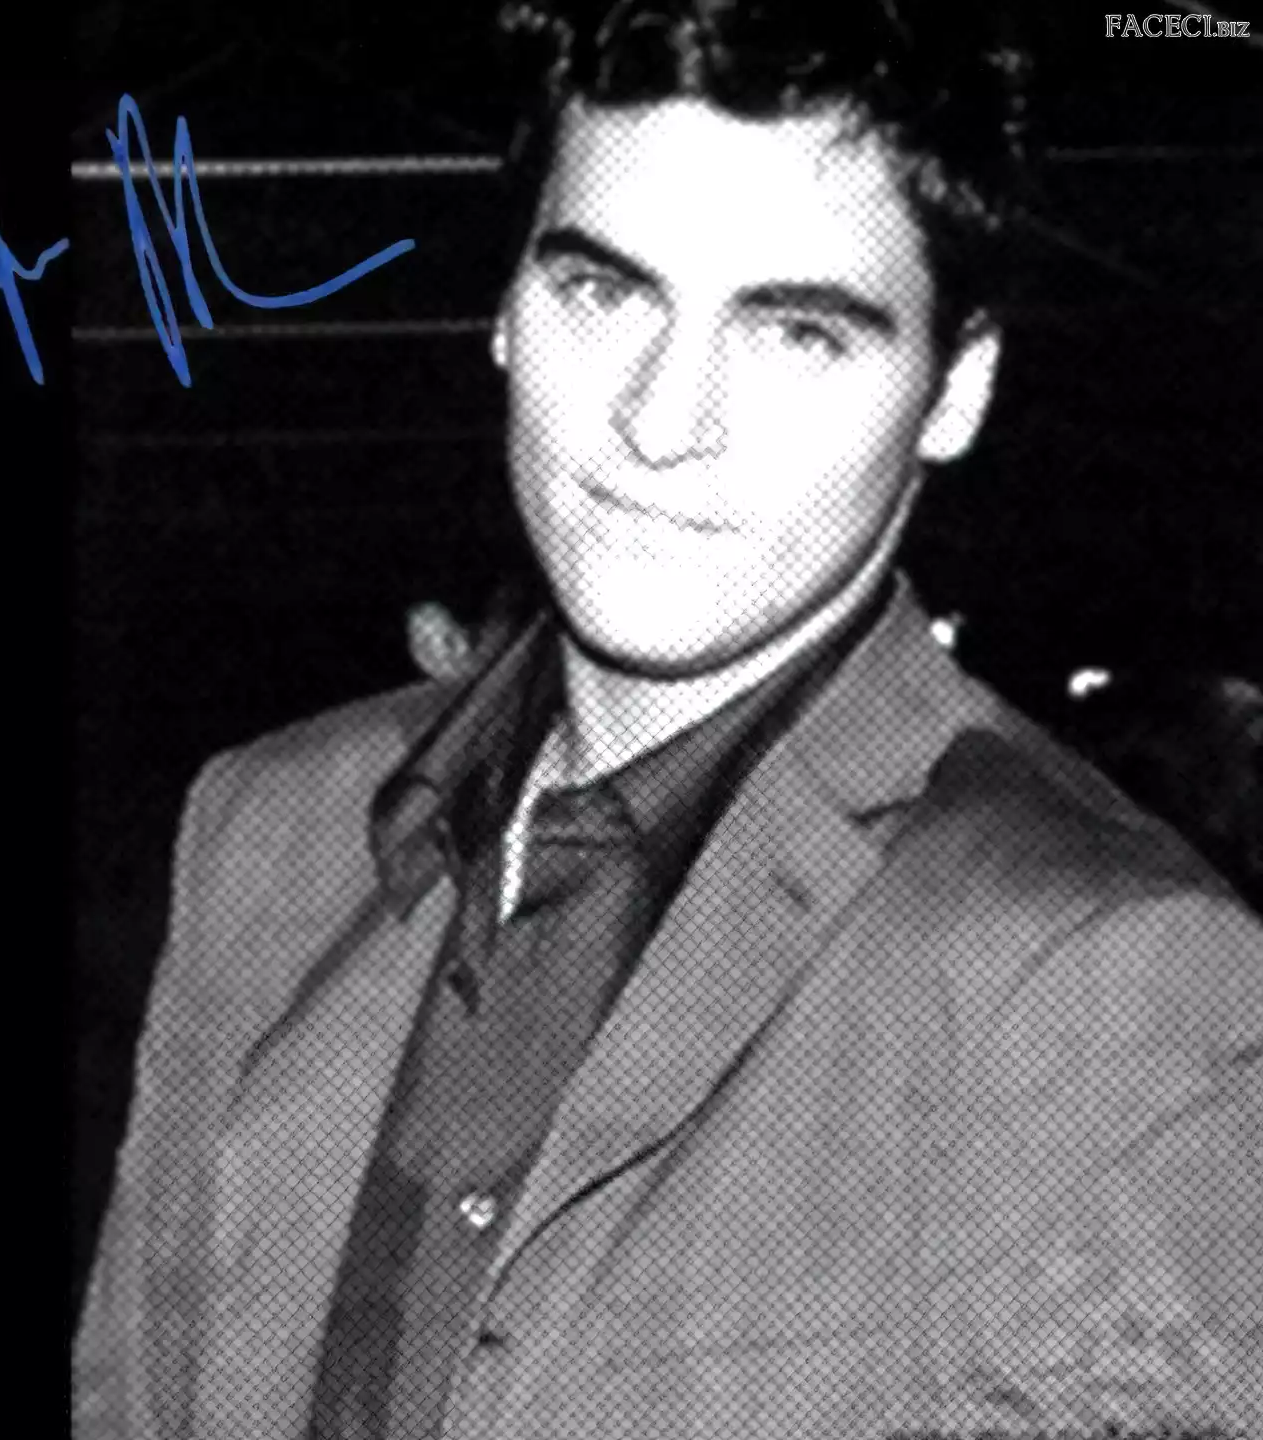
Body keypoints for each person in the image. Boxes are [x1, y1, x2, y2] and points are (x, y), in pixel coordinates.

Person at [72, 2, 1263, 1435]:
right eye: (603, 292)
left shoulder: (1097, 977)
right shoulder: (270, 829)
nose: (659, 420)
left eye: (797, 332)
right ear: (506, 306)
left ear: (956, 390)